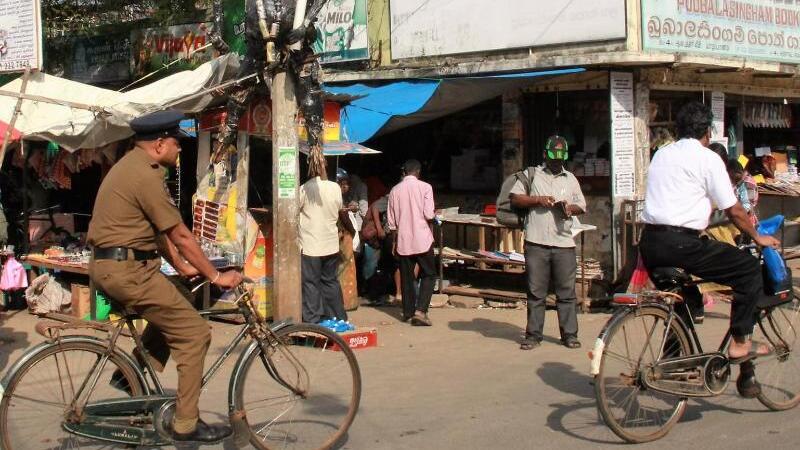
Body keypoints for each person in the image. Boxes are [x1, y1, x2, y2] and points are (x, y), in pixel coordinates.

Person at [87, 110, 242, 443]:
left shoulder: (132, 167)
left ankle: (129, 376)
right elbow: (181, 234)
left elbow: (157, 233)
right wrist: (216, 276)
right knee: (195, 334)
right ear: (159, 144)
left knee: (180, 297)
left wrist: (185, 266)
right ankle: (186, 425)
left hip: (118, 267)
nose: (179, 149)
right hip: (128, 272)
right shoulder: (146, 175)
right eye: (176, 143)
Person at [638, 101, 780, 397]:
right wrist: (758, 237)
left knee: (683, 295)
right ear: (706, 132)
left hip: (650, 243)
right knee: (747, 269)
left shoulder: (662, 154)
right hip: (682, 243)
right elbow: (735, 211)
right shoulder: (707, 158)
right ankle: (741, 342)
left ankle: (674, 359)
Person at [510, 135, 586, 350]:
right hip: (536, 242)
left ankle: (569, 335)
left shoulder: (571, 179)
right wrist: (538, 200)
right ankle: (533, 335)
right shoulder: (531, 175)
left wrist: (569, 208)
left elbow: (582, 205)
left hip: (564, 244)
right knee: (536, 292)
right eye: (553, 159)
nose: (556, 163)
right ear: (545, 155)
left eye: (560, 159)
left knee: (566, 293)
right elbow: (515, 198)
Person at [387, 159, 437, 326]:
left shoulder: (395, 190)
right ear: (418, 171)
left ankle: (408, 311)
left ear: (405, 172)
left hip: (404, 239)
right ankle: (421, 311)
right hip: (422, 237)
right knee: (429, 274)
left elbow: (392, 221)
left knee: (407, 277)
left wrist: (394, 241)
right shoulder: (425, 187)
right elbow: (429, 214)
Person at [299, 165, 350, 324]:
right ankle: (338, 316)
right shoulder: (335, 187)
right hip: (330, 244)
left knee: (311, 283)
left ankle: (313, 319)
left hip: (311, 245)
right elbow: (339, 208)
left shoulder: (305, 189)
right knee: (330, 281)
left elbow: (294, 210)